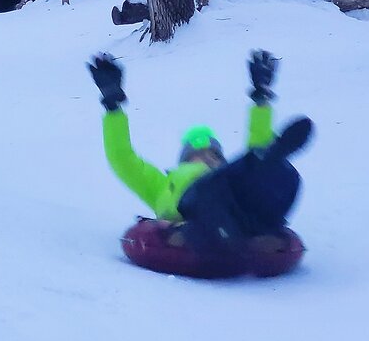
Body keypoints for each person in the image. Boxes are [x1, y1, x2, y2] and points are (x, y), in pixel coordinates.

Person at [90, 50, 312, 253]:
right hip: (196, 213)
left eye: (214, 155)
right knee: (214, 186)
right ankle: (262, 173)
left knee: (258, 169)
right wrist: (113, 107)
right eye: (197, 154)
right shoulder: (162, 185)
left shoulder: (230, 175)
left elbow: (254, 152)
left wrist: (261, 99)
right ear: (183, 161)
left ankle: (273, 161)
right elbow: (122, 159)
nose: (206, 156)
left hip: (239, 207)